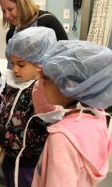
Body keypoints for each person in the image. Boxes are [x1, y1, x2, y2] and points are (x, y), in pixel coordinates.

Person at [0, 27, 57, 187]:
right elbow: (6, 116)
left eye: (21, 64)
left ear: (40, 63)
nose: (14, 69)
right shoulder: (13, 83)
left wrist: (4, 136)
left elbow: (42, 136)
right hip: (8, 157)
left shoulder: (44, 92)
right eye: (13, 63)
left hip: (27, 165)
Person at [32, 40, 112, 187]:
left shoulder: (62, 138)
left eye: (48, 80)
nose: (42, 84)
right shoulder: (98, 117)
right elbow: (43, 107)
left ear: (69, 88)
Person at [0, 0, 68, 67]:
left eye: (10, 9)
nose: (6, 16)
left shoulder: (48, 22)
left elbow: (65, 56)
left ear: (23, 5)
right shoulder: (11, 34)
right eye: (3, 11)